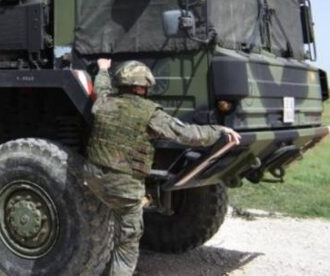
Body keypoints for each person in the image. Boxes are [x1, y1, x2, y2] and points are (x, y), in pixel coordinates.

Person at [84, 58, 241, 276]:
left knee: (107, 211)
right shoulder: (150, 113)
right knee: (127, 241)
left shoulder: (104, 102)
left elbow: (100, 88)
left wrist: (102, 69)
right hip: (123, 188)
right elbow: (185, 134)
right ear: (141, 87)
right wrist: (219, 131)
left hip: (92, 178)